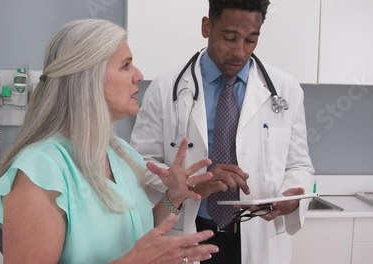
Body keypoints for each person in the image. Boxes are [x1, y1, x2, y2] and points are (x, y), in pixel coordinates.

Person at [0, 19, 220, 264]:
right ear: (88, 78)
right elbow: (136, 256)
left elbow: (135, 234)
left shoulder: (122, 155)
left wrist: (174, 197)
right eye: (126, 66)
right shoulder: (40, 173)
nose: (139, 75)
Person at [130, 1, 315, 264]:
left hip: (258, 235)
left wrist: (292, 197)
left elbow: (299, 165)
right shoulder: (165, 88)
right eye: (230, 38)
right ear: (207, 27)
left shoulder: (286, 90)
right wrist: (191, 182)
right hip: (190, 232)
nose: (240, 52)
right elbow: (139, 164)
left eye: (251, 40)